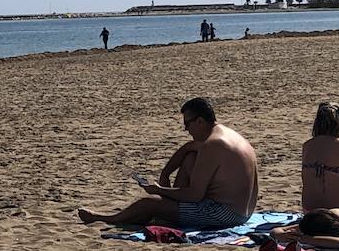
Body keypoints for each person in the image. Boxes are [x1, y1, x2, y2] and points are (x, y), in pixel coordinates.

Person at [77, 97, 259, 230]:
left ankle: (106, 218)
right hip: (245, 211)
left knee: (147, 203)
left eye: (187, 124)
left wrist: (159, 190)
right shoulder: (224, 134)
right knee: (189, 160)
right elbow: (187, 148)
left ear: (200, 121)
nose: (186, 129)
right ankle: (170, 209)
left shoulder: (212, 145)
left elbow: (195, 195)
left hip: (226, 215)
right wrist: (165, 173)